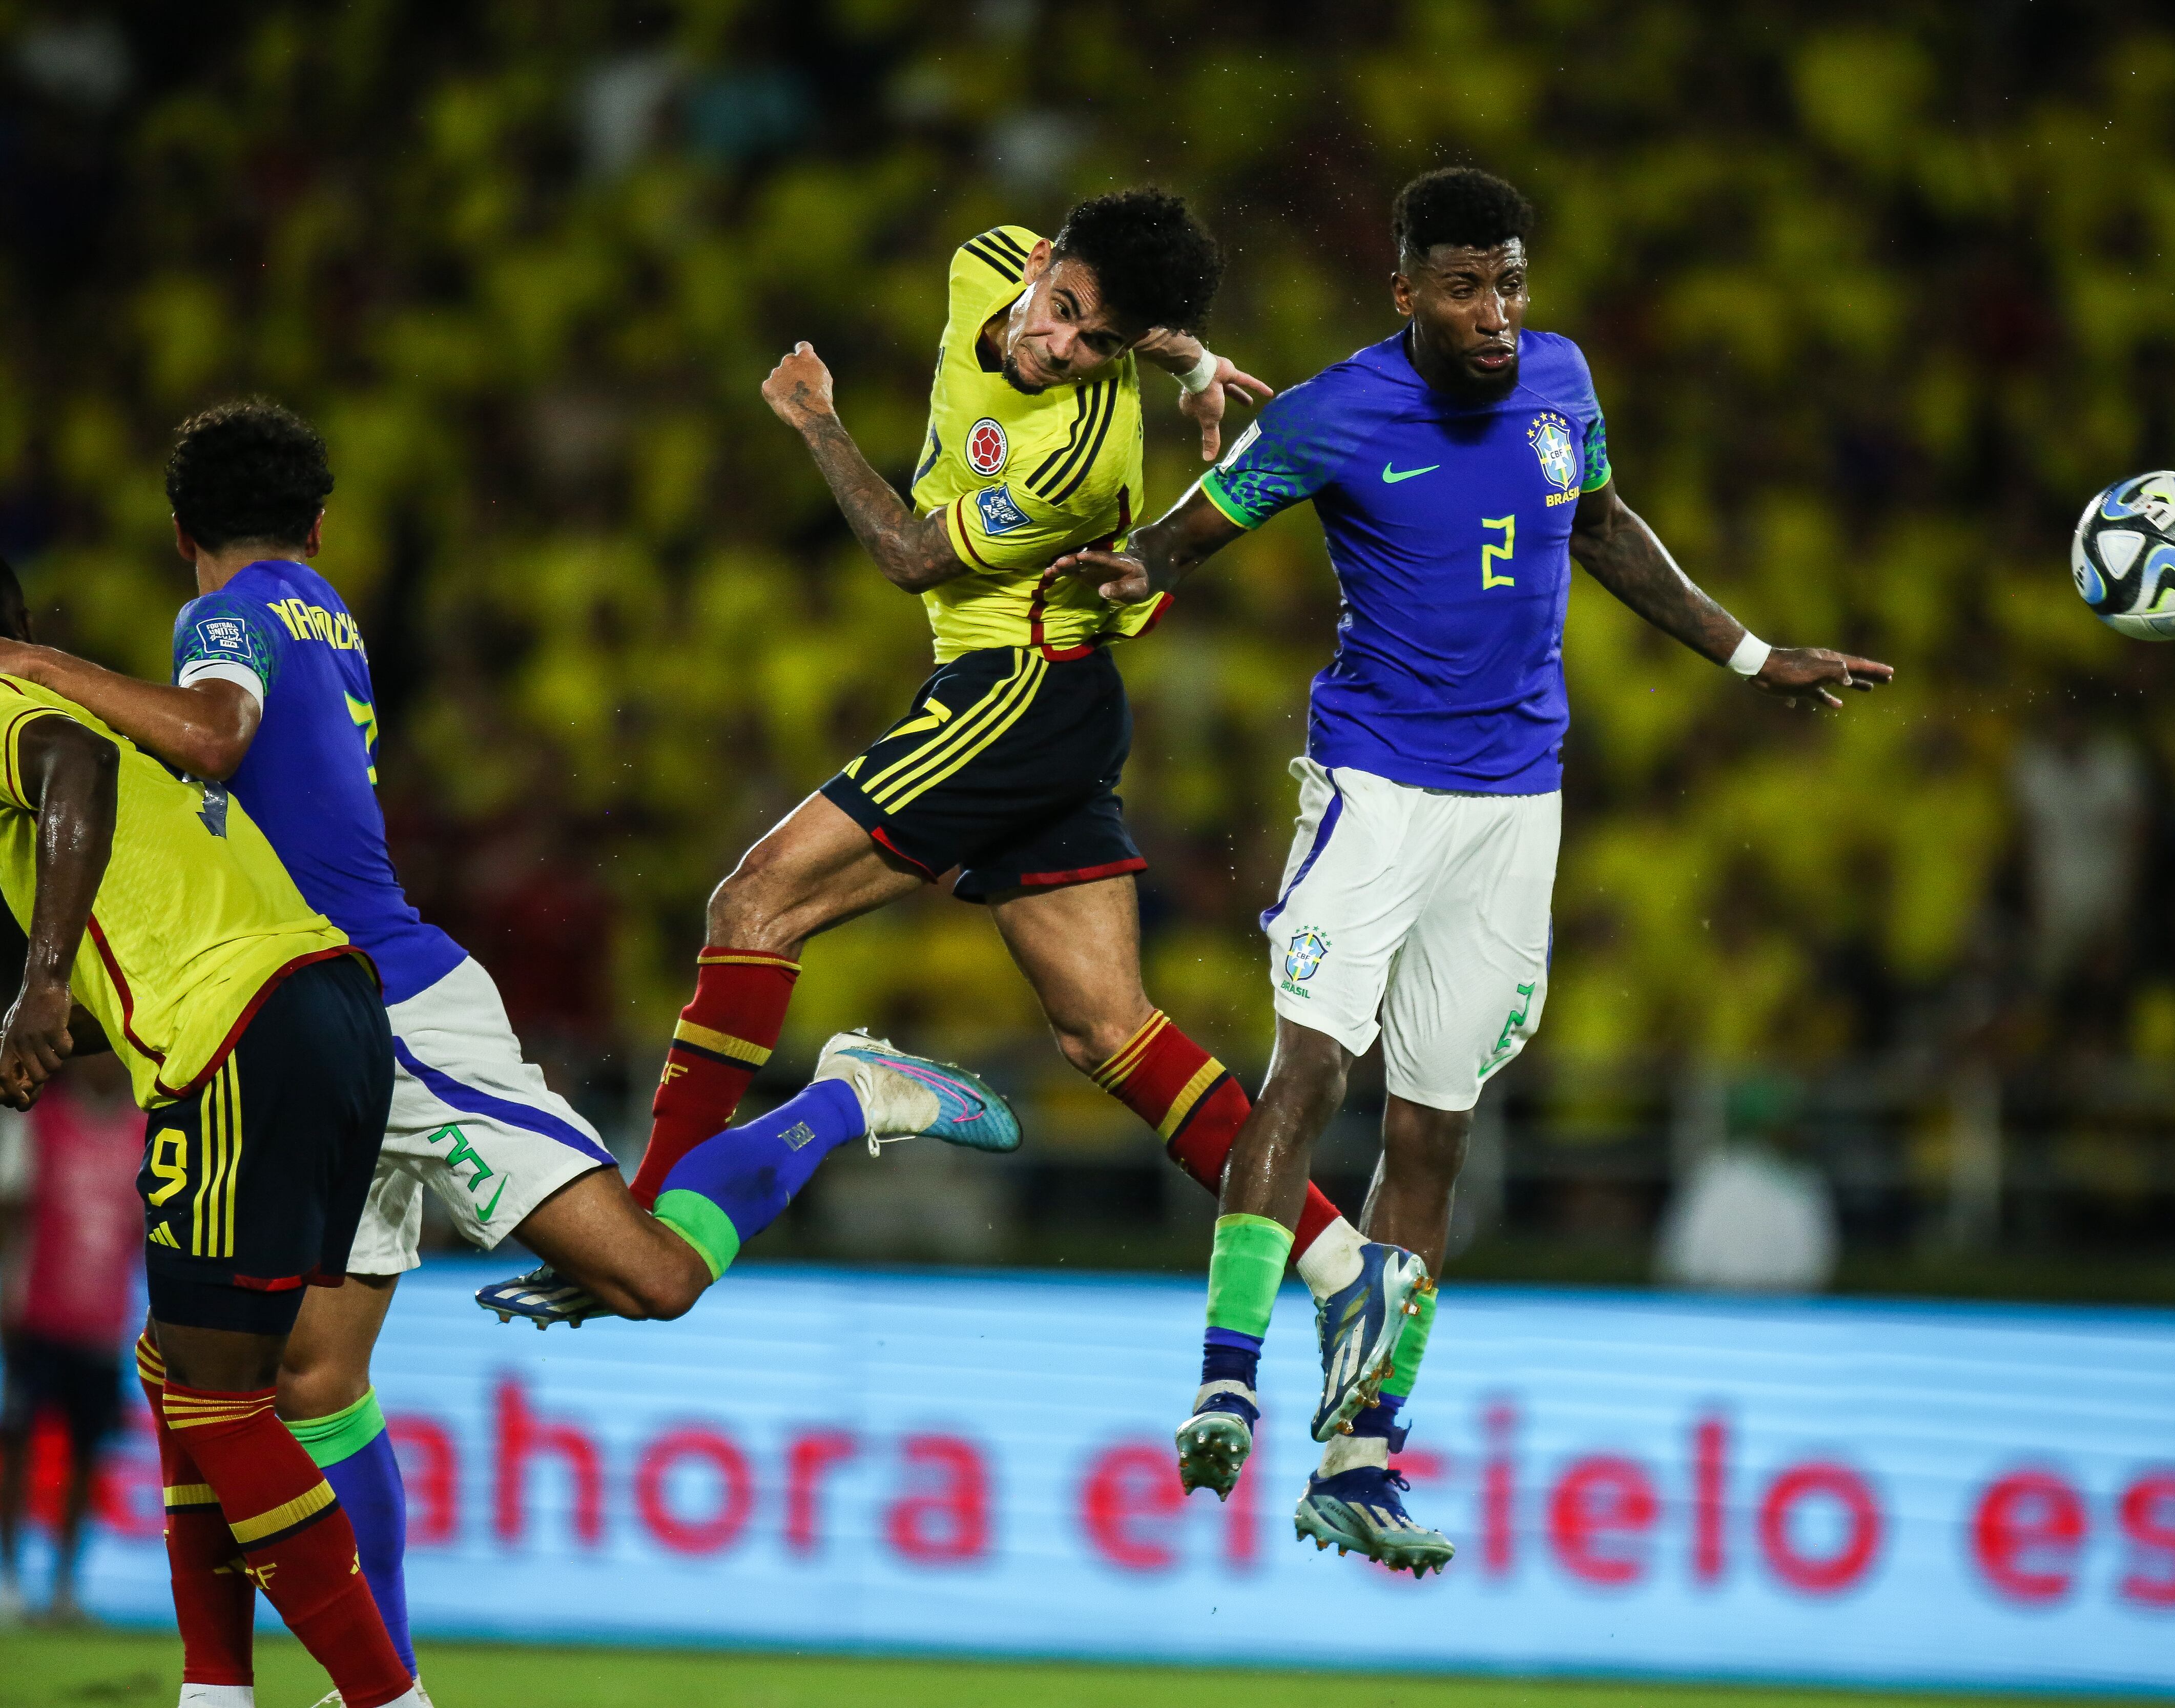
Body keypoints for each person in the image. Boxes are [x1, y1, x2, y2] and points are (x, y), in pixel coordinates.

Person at [0, 403, 1004, 1684]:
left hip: (388, 1008)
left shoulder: (228, 612)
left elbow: (212, 735)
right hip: (308, 1013)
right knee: (310, 1381)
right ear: (321, 524)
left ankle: (844, 1095)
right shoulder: (323, 609)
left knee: (652, 1278)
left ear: (178, 529)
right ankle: (380, 1679)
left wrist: (38, 663)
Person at [1049, 167, 1894, 1574]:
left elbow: (1603, 526)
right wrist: (1137, 570)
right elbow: (1189, 534)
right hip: (1376, 788)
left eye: (1507, 283)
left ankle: (1360, 1455)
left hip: (1516, 807)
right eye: (1463, 288)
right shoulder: (1330, 412)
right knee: (1309, 1070)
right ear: (1406, 293)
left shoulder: (1562, 380)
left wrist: (1752, 655)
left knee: (1435, 1131)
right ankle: (1226, 1381)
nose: (1495, 313)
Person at [610, 189, 1393, 1349]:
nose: (1063, 347)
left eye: (1099, 343)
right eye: (1064, 309)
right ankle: (1342, 1261)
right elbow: (1106, 307)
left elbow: (906, 554)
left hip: (1021, 684)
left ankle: (642, 1215)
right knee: (1108, 1031)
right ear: (1043, 262)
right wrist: (1191, 361)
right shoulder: (983, 260)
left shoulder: (1083, 453)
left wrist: (817, 419)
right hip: (1053, 700)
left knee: (755, 903)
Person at [0, 555, 419, 1706]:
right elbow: (158, 942)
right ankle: (214, 1688)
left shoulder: (21, 708)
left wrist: (39, 983)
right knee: (182, 1360)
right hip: (331, 1010)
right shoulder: (122, 737)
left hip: (244, 1034)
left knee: (220, 1398)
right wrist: (45, 1022)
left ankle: (389, 1697)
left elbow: (72, 767)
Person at [0, 1051, 146, 1624]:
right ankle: (8, 1576)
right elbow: (12, 1211)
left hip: (104, 1327)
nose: (103, 1066)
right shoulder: (39, 1121)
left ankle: (65, 1587)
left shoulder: (147, 1133)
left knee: (88, 1454)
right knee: (18, 1446)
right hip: (35, 1319)